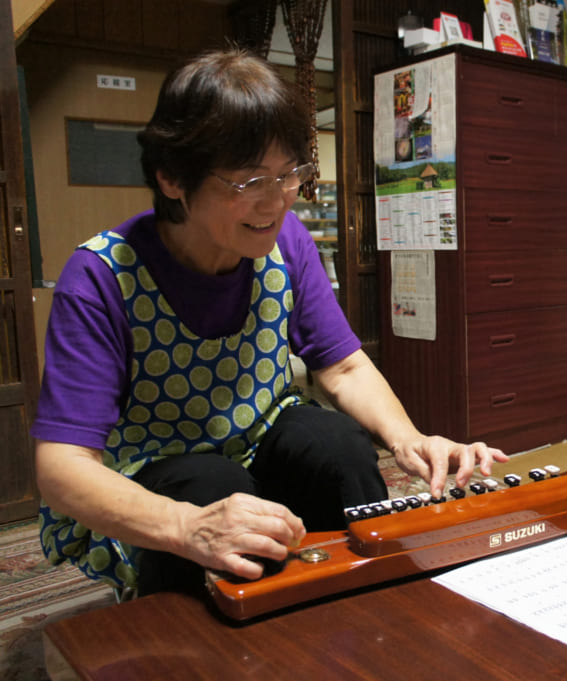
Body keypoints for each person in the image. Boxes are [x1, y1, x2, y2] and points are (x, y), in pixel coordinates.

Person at [33, 49, 507, 596]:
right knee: (213, 485)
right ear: (170, 178)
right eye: (247, 182)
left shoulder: (286, 243)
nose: (276, 202)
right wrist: (188, 527)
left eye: (287, 175)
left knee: (337, 444)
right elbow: (63, 467)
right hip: (156, 469)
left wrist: (409, 439)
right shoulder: (100, 277)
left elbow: (345, 368)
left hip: (260, 435)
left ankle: (365, 596)